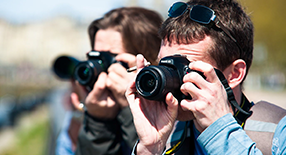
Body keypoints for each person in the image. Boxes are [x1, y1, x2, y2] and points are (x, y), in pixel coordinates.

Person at [126, 0, 286, 155]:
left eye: (185, 68)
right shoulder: (168, 134)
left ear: (234, 74)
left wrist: (219, 132)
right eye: (165, 66)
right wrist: (149, 149)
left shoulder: (277, 133)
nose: (171, 80)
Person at [70, 7, 163, 155]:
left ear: (145, 62)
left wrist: (133, 106)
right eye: (96, 58)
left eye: (110, 59)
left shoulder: (174, 115)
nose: (100, 68)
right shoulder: (98, 107)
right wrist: (97, 120)